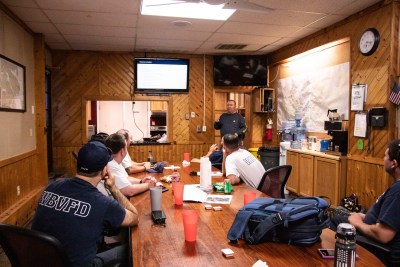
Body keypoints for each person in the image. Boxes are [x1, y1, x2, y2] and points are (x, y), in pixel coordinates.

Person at [31, 141, 139, 267]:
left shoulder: (52, 186)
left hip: (39, 260)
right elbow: (134, 217)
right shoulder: (103, 203)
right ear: (104, 170)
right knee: (132, 248)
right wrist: (113, 188)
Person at [330, 139, 400, 265]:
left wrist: (357, 224)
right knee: (337, 213)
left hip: (378, 247)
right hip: (370, 225)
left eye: (385, 155)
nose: (384, 159)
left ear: (394, 163)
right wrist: (366, 217)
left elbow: (384, 235)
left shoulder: (398, 191)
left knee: (332, 222)